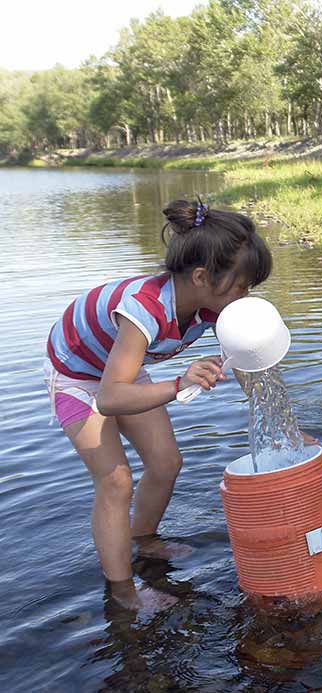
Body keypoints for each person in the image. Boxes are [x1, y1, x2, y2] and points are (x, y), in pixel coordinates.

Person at [44, 199, 273, 610]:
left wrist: (283, 430)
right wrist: (179, 382)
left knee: (166, 463)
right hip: (77, 375)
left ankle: (143, 542)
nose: (246, 296)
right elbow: (111, 398)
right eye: (241, 286)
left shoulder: (212, 306)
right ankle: (123, 594)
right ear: (202, 276)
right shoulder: (144, 310)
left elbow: (243, 365)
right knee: (115, 480)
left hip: (119, 369)